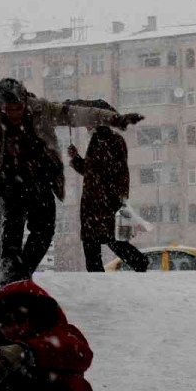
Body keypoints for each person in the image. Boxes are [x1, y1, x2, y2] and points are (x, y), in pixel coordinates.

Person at [0, 78, 144, 287]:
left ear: (25, 101)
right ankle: (8, 270)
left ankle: (21, 275)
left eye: (19, 108)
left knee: (44, 230)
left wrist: (115, 120)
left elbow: (78, 113)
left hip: (39, 180)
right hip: (6, 184)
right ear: (1, 105)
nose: (15, 114)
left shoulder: (42, 110)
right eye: (9, 109)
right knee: (13, 220)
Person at [66, 102, 149, 273]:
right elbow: (92, 172)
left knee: (106, 243)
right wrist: (76, 159)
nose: (86, 124)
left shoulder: (111, 141)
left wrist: (117, 200)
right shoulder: (98, 141)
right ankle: (137, 263)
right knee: (102, 244)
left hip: (103, 204)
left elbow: (120, 173)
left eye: (90, 119)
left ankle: (139, 262)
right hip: (96, 204)